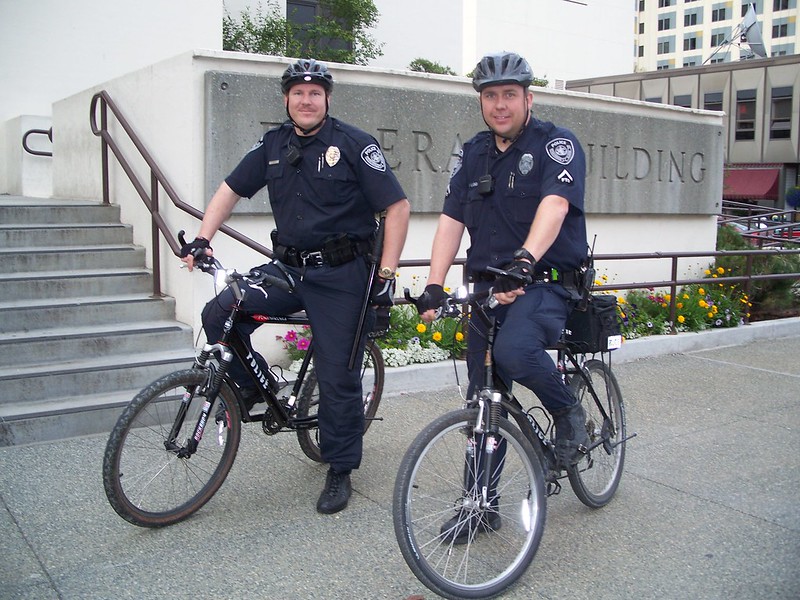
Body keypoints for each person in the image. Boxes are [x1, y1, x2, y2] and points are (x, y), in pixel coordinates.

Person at [180, 58, 410, 515]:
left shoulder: (354, 144)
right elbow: (229, 190)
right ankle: (250, 389)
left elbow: (397, 207)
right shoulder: (273, 144)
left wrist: (384, 275)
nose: (307, 100)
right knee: (219, 312)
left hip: (341, 275)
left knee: (337, 374)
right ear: (286, 99)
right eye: (298, 93)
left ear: (327, 99)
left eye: (315, 93)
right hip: (287, 268)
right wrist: (203, 239)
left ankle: (340, 467)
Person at [416, 51, 590, 537]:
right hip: (488, 290)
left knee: (514, 352)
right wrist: (434, 284)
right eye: (490, 96)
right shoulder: (472, 153)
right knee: (483, 398)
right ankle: (480, 505)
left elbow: (555, 206)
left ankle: (567, 411)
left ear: (528, 98)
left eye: (509, 95)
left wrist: (525, 261)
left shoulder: (556, 143)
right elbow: (451, 220)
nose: (499, 104)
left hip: (545, 282)